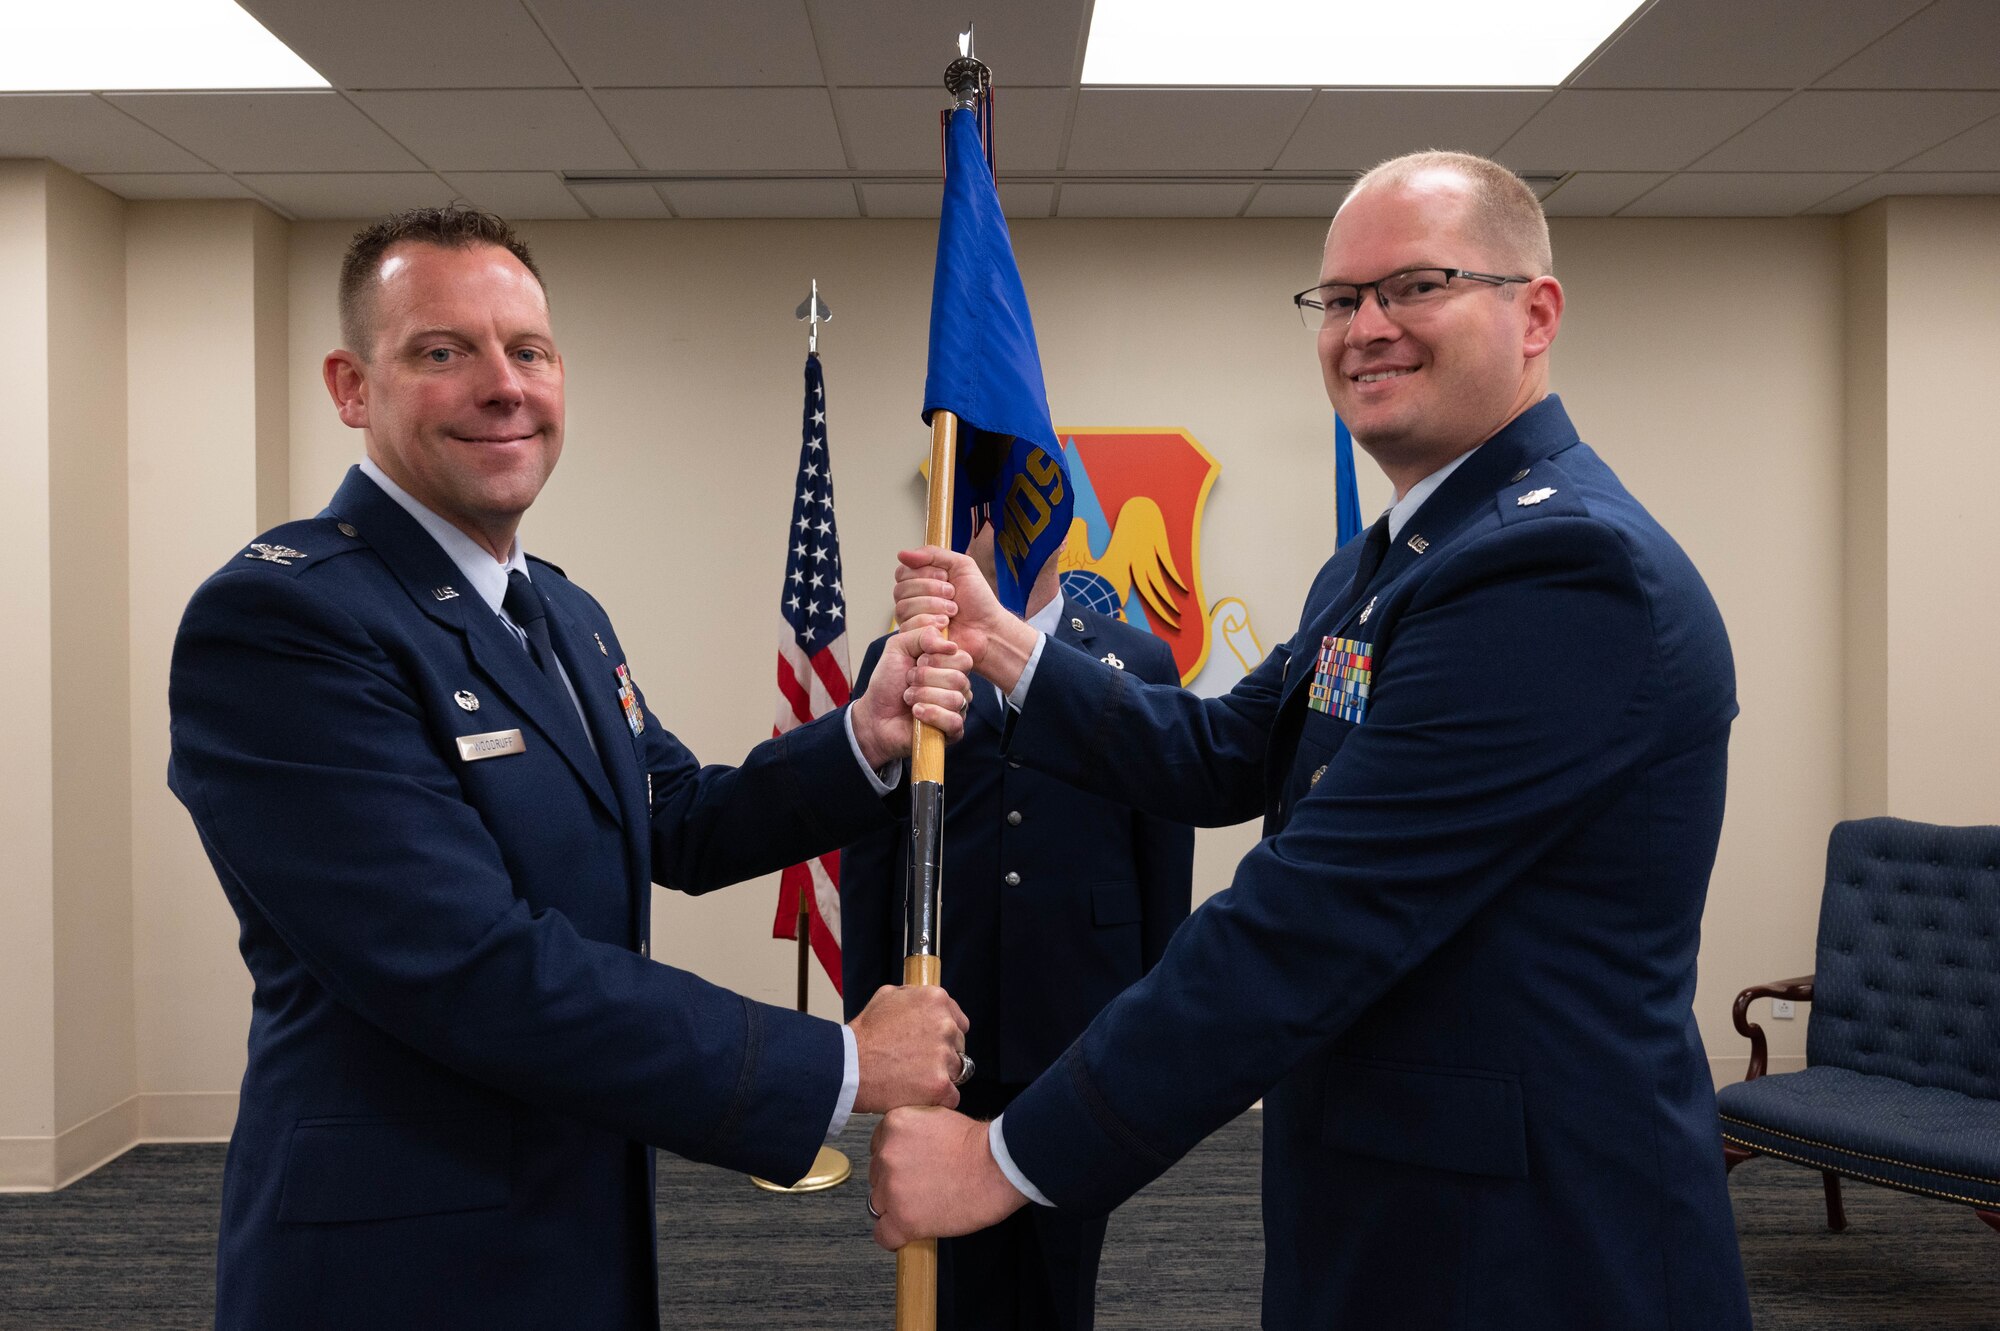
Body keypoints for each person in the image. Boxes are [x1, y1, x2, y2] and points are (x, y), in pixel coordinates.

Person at [870, 151, 1754, 1329]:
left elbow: (1309, 917)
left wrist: (1006, 1159)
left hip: (1524, 1242)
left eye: (1413, 286)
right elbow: (1224, 750)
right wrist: (1004, 644)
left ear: (1533, 312)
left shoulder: (1559, 571)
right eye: (1338, 299)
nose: (1363, 328)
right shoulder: (1390, 559)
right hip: (1393, 1190)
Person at [167, 205, 977, 1331]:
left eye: (530, 350)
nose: (505, 385)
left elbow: (674, 816)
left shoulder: (556, 609)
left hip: (576, 1203)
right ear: (352, 387)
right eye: (443, 351)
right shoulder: (281, 621)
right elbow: (469, 964)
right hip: (403, 1256)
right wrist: (834, 1061)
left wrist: (861, 735)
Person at [841, 526, 1194, 1330]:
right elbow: (871, 854)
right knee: (955, 1266)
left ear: (1064, 528)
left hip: (1084, 1010)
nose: (1008, 527)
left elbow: (1162, 853)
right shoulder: (903, 656)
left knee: (1063, 1259)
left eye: (1031, 504)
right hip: (948, 1008)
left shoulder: (1137, 660)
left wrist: (1159, 1016)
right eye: (986, 510)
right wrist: (870, 1010)